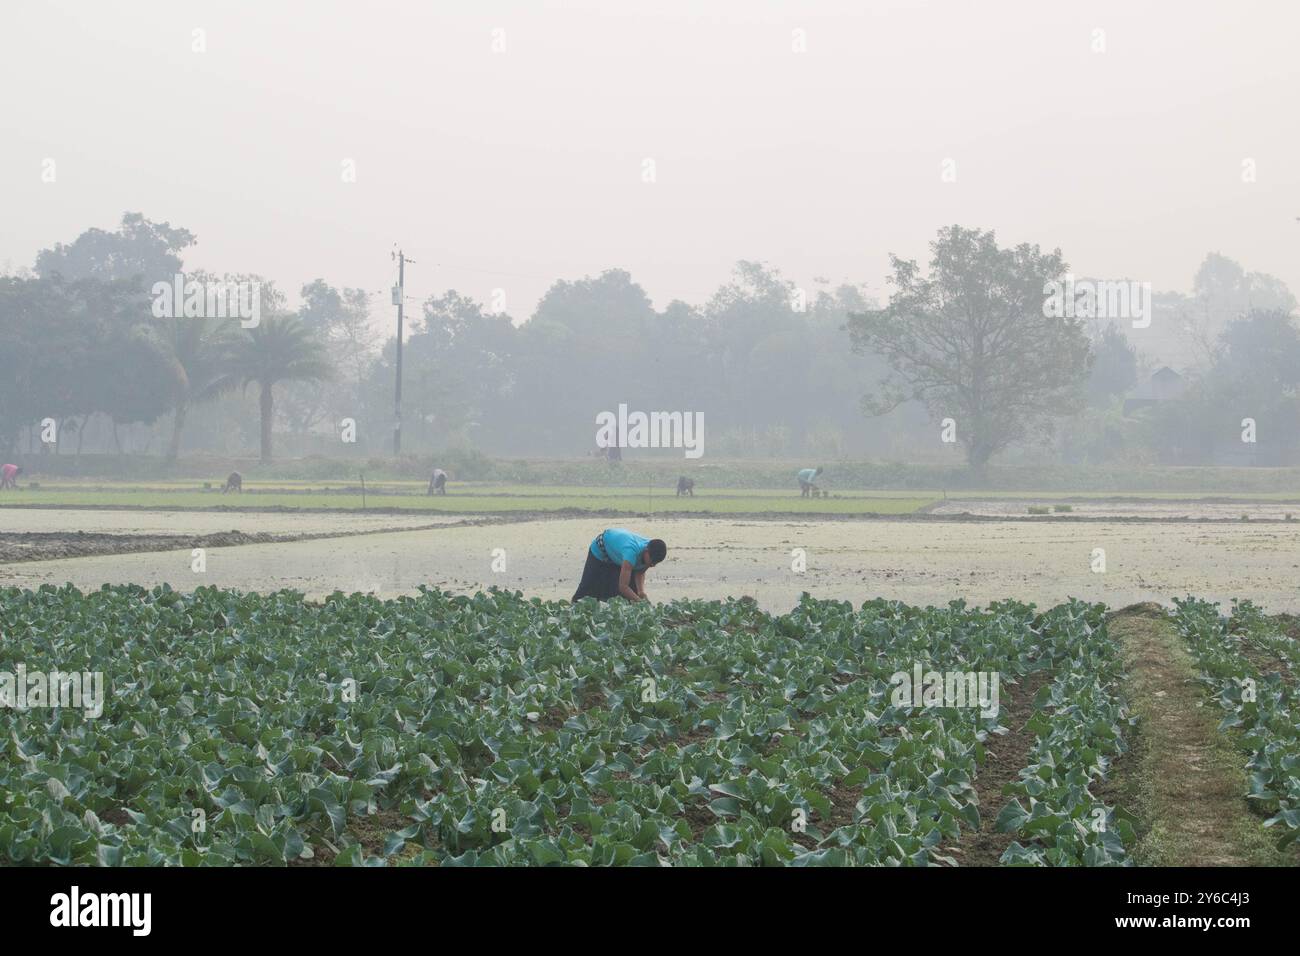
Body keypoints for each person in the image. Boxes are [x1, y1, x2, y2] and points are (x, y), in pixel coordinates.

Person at [572, 528, 667, 603]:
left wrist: (640, 591)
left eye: (656, 563)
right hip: (601, 549)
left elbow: (640, 571)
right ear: (646, 551)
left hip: (619, 555)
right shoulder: (631, 552)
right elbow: (623, 586)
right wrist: (639, 601)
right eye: (652, 561)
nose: (652, 565)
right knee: (587, 588)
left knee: (630, 593)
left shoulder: (651, 551)